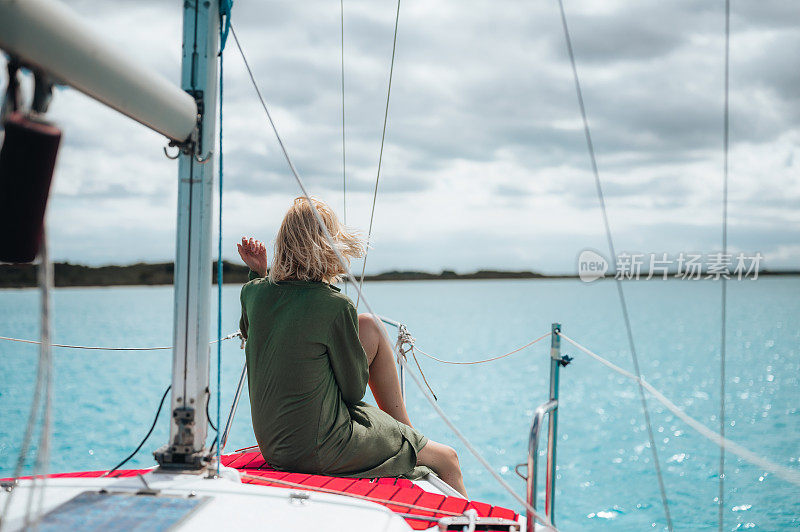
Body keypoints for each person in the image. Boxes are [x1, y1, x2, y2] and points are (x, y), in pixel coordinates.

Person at [237, 196, 467, 497]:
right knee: (447, 459)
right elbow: (353, 389)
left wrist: (259, 273)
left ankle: (405, 437)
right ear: (327, 244)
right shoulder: (334, 305)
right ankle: (409, 440)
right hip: (324, 448)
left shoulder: (254, 293)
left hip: (276, 448)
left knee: (368, 324)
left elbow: (249, 329)